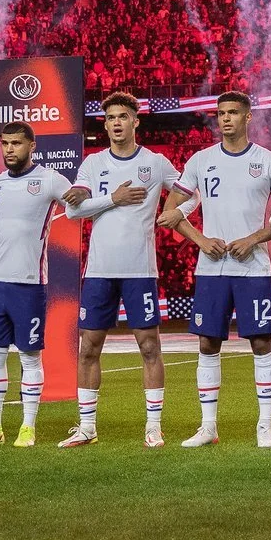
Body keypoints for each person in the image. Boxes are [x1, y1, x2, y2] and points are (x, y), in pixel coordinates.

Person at [158, 91, 271, 448]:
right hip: (211, 268)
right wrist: (200, 239)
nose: (225, 119)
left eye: (233, 113)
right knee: (208, 343)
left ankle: (265, 426)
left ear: (248, 117)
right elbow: (170, 211)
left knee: (260, 341)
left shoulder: (268, 161)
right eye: (221, 113)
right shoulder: (200, 160)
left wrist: (255, 238)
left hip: (253, 267)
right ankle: (208, 427)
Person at [61, 92, 188, 448]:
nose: (116, 123)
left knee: (149, 346)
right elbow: (73, 210)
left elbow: (191, 193)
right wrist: (111, 200)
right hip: (99, 270)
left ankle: (153, 426)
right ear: (105, 124)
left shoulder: (156, 162)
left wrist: (179, 212)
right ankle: (87, 427)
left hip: (140, 270)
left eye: (123, 117)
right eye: (110, 118)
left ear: (135, 121)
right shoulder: (92, 164)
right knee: (89, 347)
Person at [0, 122, 72, 449]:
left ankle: (28, 427)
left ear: (32, 146)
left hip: (29, 285)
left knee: (29, 358)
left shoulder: (51, 180)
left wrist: (104, 199)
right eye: (5, 144)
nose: (9, 149)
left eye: (16, 144)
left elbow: (79, 206)